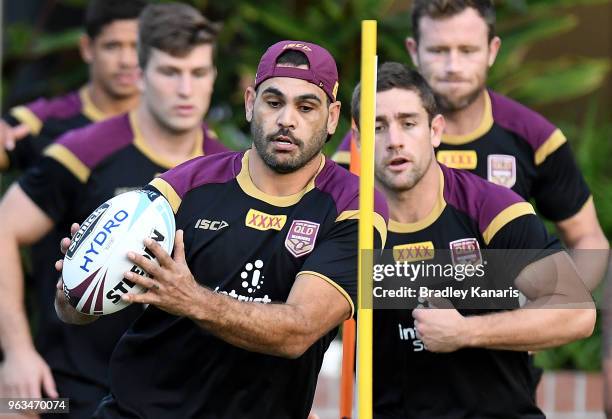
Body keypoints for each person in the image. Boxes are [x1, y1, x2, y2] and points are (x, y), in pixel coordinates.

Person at [55, 39, 388, 418]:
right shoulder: (186, 184)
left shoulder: (353, 206)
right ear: (250, 103)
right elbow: (72, 311)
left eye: (306, 106)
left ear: (332, 117)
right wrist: (77, 285)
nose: (286, 120)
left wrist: (191, 298)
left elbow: (299, 331)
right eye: (273, 102)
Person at [0, 4, 227, 417]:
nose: (185, 90)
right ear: (140, 74)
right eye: (169, 73)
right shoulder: (84, 148)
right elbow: (4, 227)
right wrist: (16, 352)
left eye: (198, 74)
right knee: (9, 405)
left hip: (175, 399)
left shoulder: (227, 171)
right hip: (67, 393)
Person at [351, 62, 594, 418]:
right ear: (358, 140)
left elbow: (578, 313)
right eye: (378, 127)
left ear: (435, 130)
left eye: (408, 123)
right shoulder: (348, 225)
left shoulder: (491, 210)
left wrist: (465, 331)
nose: (394, 141)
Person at [335, 0, 608, 291]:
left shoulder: (535, 137)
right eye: (438, 51)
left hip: (502, 328)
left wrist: (550, 314)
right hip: (392, 319)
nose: (453, 67)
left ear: (492, 50)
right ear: (414, 51)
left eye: (467, 50)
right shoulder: (363, 146)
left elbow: (587, 239)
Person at [0, 0, 147, 172]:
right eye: (112, 46)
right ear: (87, 48)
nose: (126, 61)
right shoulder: (38, 121)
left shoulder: (175, 120)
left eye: (137, 47)